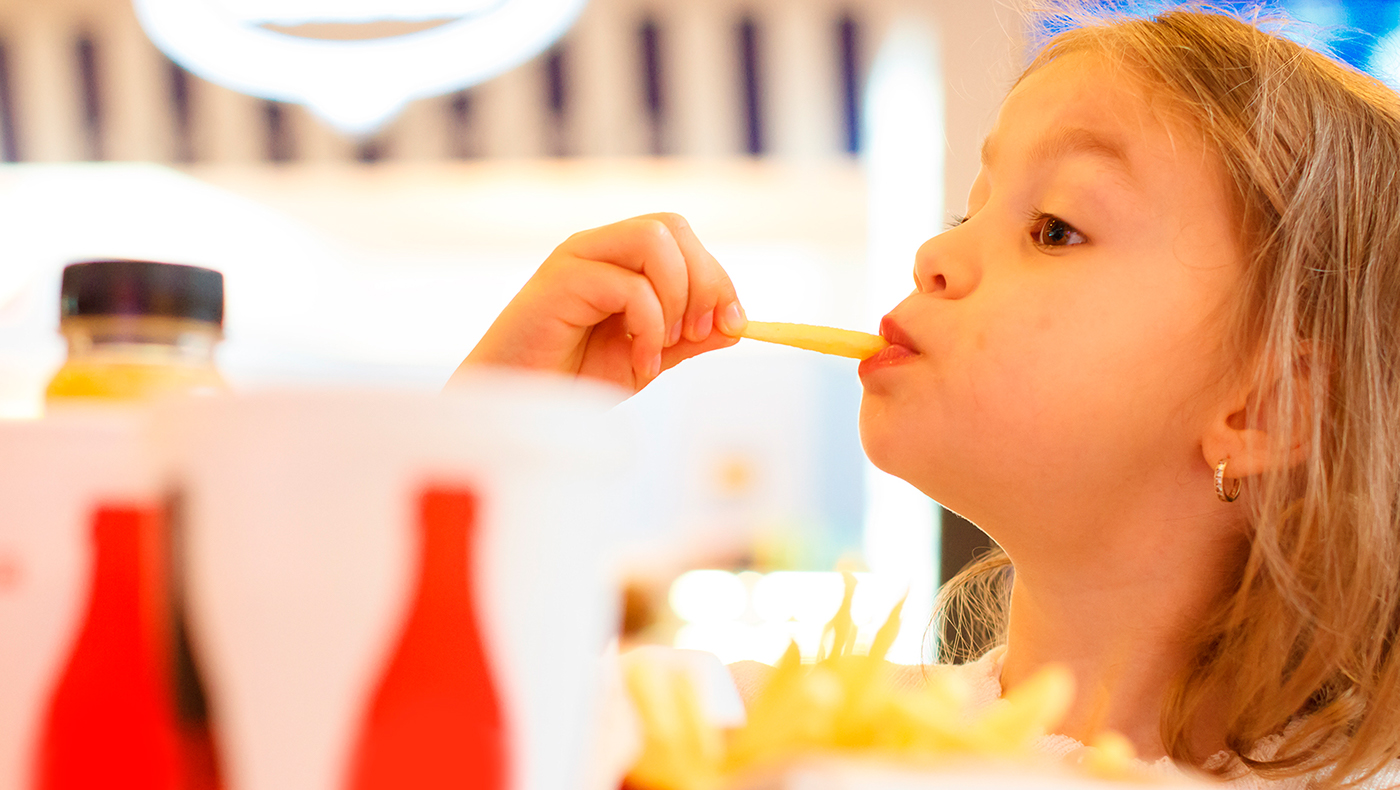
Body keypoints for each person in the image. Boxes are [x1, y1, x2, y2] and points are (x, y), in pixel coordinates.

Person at [452, 4, 1400, 787]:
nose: (935, 254)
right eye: (970, 209)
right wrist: (487, 434)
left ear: (1268, 409)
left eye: (1056, 228)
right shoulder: (735, 739)